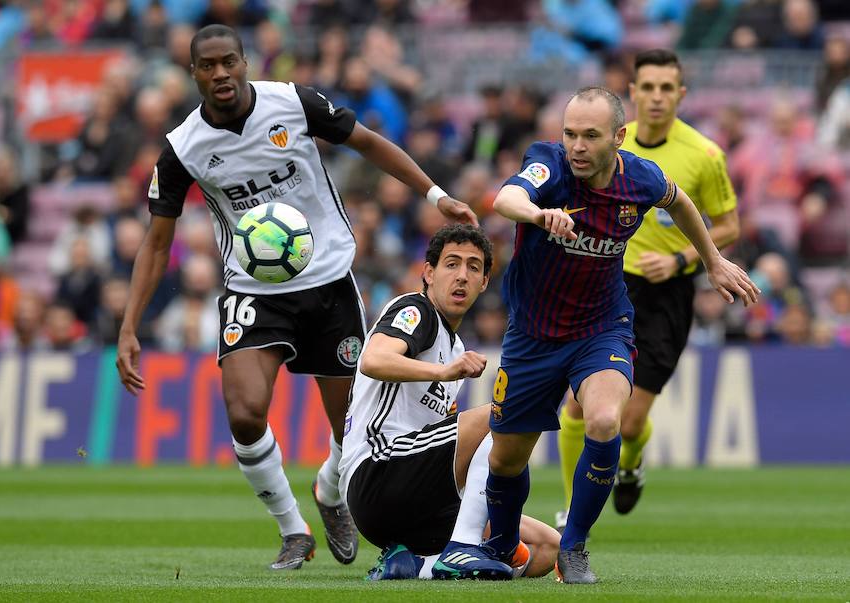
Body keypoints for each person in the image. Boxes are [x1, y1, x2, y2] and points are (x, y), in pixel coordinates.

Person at [114, 24, 477, 572]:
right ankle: (292, 530)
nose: (221, 75)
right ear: (194, 73)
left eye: (228, 62)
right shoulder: (183, 149)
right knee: (243, 412)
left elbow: (369, 143)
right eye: (208, 66)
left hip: (329, 280)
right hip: (253, 290)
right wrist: (128, 325)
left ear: (244, 62)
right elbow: (157, 240)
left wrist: (435, 194)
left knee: (349, 430)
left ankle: (330, 492)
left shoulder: (294, 103)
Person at [480, 87, 759, 584]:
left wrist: (712, 261)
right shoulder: (549, 165)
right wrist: (537, 214)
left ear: (619, 137)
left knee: (606, 419)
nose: (577, 146)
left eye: (590, 136)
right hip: (534, 334)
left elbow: (683, 202)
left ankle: (574, 546)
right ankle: (500, 546)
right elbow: (507, 197)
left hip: (602, 326)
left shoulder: (641, 179)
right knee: (506, 457)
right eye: (570, 134)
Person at [556, 49, 741, 529]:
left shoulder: (704, 155)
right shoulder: (604, 144)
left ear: (680, 94)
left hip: (667, 298)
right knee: (576, 406)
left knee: (630, 421)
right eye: (648, 87)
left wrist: (682, 259)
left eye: (667, 88)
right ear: (633, 93)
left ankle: (632, 462)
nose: (657, 97)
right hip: (609, 285)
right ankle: (568, 508)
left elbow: (729, 226)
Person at [339, 224, 558, 581]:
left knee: (547, 549)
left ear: (485, 282)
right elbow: (373, 359)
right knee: (506, 411)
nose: (462, 276)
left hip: (414, 499)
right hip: (379, 471)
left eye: (474, 268)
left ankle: (415, 565)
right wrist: (442, 372)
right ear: (427, 273)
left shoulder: (453, 345)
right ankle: (463, 547)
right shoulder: (416, 309)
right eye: (451, 264)